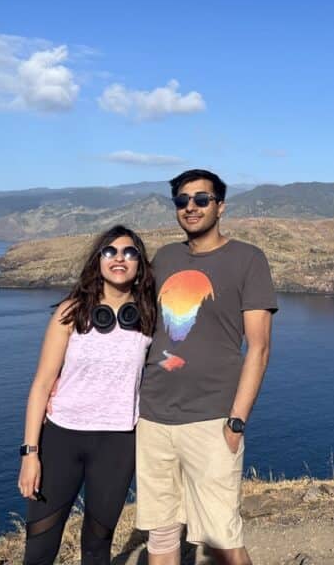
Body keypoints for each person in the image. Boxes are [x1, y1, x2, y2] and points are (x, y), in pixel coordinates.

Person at [136, 169, 277, 565]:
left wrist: (236, 421)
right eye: (182, 200)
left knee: (221, 539)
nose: (191, 207)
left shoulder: (248, 259)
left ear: (220, 207)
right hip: (153, 418)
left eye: (201, 199)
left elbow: (260, 348)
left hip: (212, 420)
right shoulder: (165, 257)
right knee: (161, 538)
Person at [17, 224, 156, 565]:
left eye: (129, 252)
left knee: (97, 548)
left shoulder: (151, 316)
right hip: (62, 439)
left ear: (140, 264)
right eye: (110, 251)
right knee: (40, 548)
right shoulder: (70, 312)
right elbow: (41, 384)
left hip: (118, 443)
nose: (119, 258)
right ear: (98, 261)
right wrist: (30, 453)